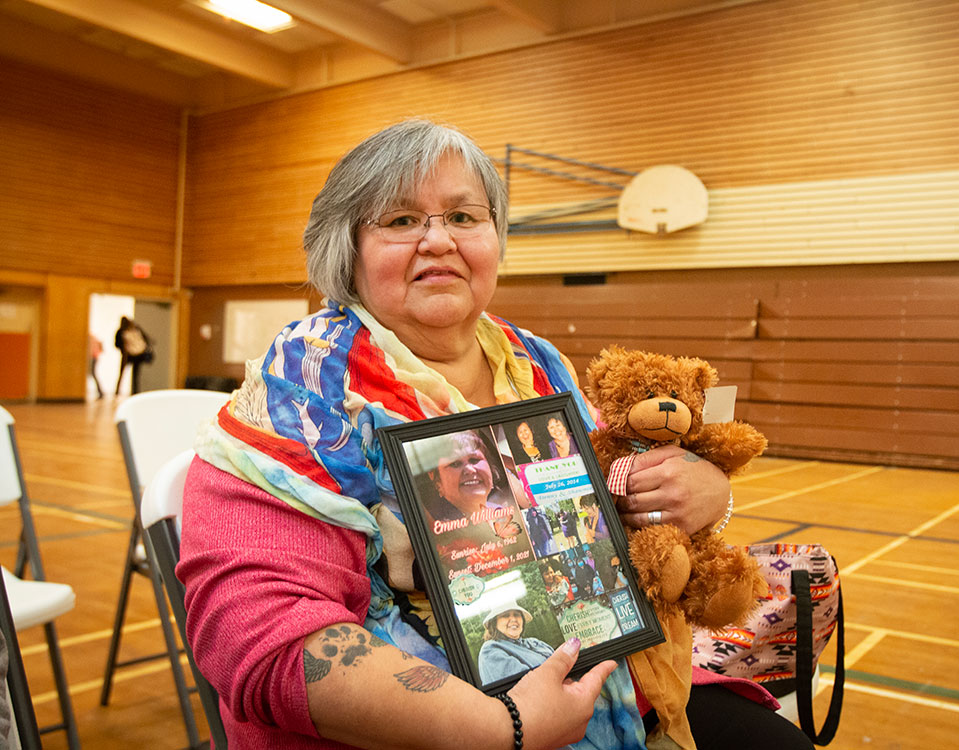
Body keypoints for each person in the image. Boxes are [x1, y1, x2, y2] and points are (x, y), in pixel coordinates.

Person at [178, 120, 813, 750]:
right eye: (400, 221)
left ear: (495, 238)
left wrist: (705, 498)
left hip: (611, 680)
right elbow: (258, 636)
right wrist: (501, 728)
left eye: (463, 217)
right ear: (346, 250)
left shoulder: (538, 364)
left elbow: (614, 500)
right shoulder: (297, 399)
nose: (437, 241)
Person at [477, 604, 555, 685]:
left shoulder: (534, 642)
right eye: (506, 615)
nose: (513, 619)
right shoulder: (490, 650)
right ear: (494, 623)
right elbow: (527, 685)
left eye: (517, 614)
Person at [113, 316, 150, 396]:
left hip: (127, 355)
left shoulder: (121, 332)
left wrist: (124, 348)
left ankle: (117, 391)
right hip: (138, 355)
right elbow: (146, 339)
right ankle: (135, 392)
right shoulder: (136, 329)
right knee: (135, 375)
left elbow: (117, 344)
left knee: (122, 373)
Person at [88, 333, 104, 399]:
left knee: (93, 374)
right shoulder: (93, 338)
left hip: (93, 357)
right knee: (93, 374)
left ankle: (100, 392)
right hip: (94, 357)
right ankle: (100, 392)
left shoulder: (90, 338)